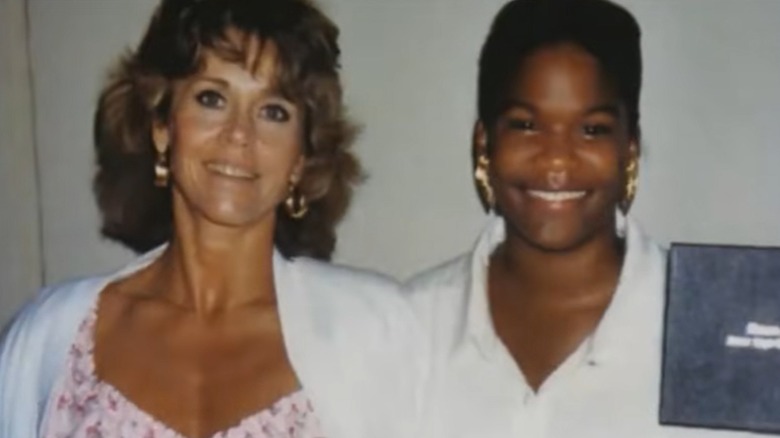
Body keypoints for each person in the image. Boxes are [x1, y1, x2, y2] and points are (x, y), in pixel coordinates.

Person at [0, 0, 422, 437]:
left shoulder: (375, 332)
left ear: (301, 157)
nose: (240, 133)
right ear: (162, 126)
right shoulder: (52, 337)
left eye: (273, 111)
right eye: (212, 99)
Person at [407, 0, 752, 436]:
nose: (556, 161)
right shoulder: (410, 324)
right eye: (525, 125)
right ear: (484, 143)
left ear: (629, 148)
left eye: (592, 129)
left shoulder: (716, 329)